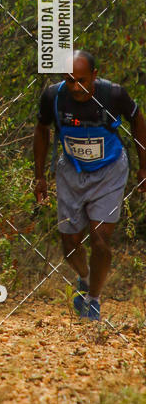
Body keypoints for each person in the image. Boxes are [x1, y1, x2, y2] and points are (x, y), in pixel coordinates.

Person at [33, 50, 146, 321]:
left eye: (82, 80)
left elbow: (137, 119)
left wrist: (144, 166)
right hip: (71, 171)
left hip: (109, 171)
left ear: (94, 75)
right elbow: (42, 129)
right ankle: (84, 279)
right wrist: (39, 176)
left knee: (100, 240)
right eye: (70, 81)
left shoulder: (113, 95)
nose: (76, 87)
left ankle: (93, 301)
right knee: (69, 241)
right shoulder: (53, 97)